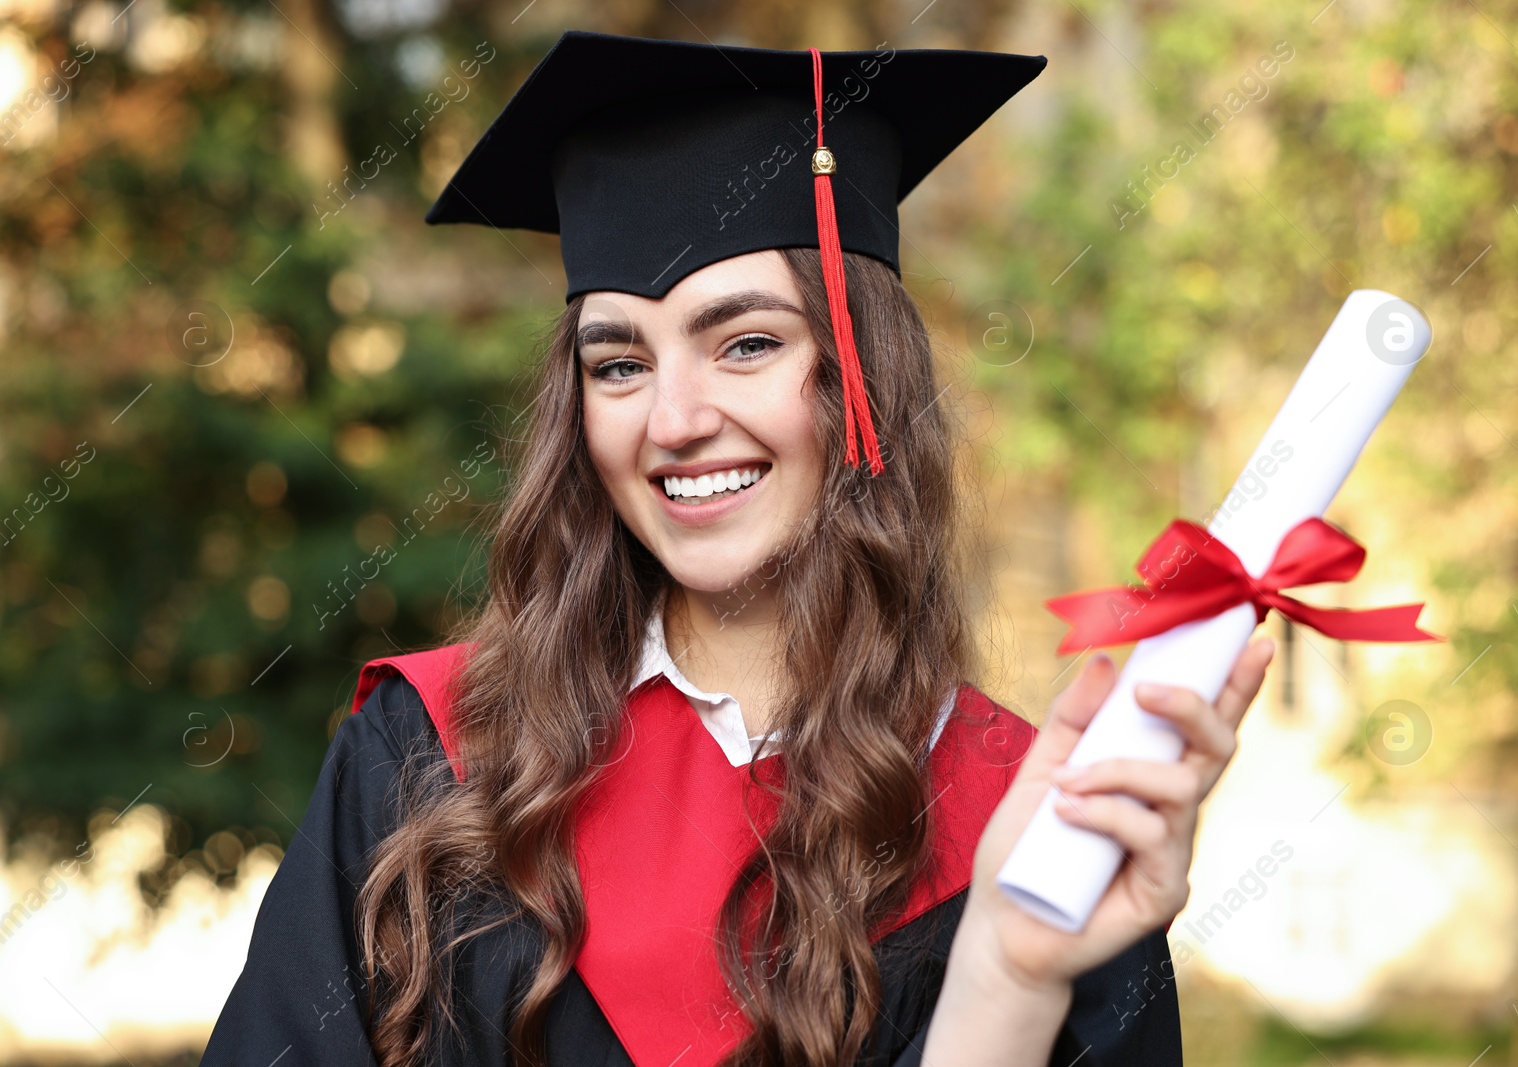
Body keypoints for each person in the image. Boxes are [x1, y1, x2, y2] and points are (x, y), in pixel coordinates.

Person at [199, 30, 1274, 1067]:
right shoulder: (427, 756)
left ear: (864, 380)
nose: (671, 418)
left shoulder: (1033, 824)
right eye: (616, 363)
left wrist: (1007, 972)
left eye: (747, 342)